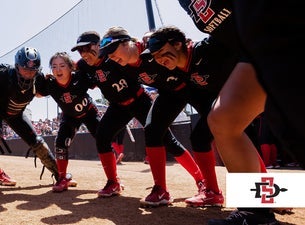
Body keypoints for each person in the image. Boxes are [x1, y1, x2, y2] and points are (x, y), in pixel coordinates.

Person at [178, 0, 297, 224]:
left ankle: (275, 196)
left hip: (284, 28)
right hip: (254, 50)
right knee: (223, 121)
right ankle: (256, 211)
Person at [72, 31, 203, 205]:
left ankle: (201, 181)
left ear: (99, 46)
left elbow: (138, 51)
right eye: (80, 51)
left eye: (88, 48)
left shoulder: (116, 58)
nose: (84, 54)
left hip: (139, 100)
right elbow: (72, 69)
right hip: (118, 106)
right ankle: (113, 182)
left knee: (168, 140)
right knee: (102, 136)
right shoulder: (84, 65)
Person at [99, 26, 224, 208]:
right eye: (107, 53)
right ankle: (162, 190)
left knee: (230, 134)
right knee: (154, 130)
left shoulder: (152, 47)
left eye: (112, 50)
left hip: (196, 88)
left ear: (129, 42)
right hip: (169, 94)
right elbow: (93, 68)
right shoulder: (117, 64)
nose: (110, 56)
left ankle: (263, 198)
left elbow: (180, 45)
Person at [36, 52, 99, 192]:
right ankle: (63, 178)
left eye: (62, 65)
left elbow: (97, 83)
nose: (58, 70)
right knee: (60, 143)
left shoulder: (80, 77)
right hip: (70, 116)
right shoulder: (50, 84)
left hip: (89, 112)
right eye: (54, 66)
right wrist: (37, 80)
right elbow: (38, 95)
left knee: (103, 139)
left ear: (70, 67)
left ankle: (113, 180)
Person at [0, 46, 59, 182]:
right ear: (16, 67)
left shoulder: (39, 79)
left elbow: (44, 92)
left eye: (32, 71)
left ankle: (59, 174)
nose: (28, 74)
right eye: (25, 69)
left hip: (16, 115)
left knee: (38, 143)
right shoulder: (3, 74)